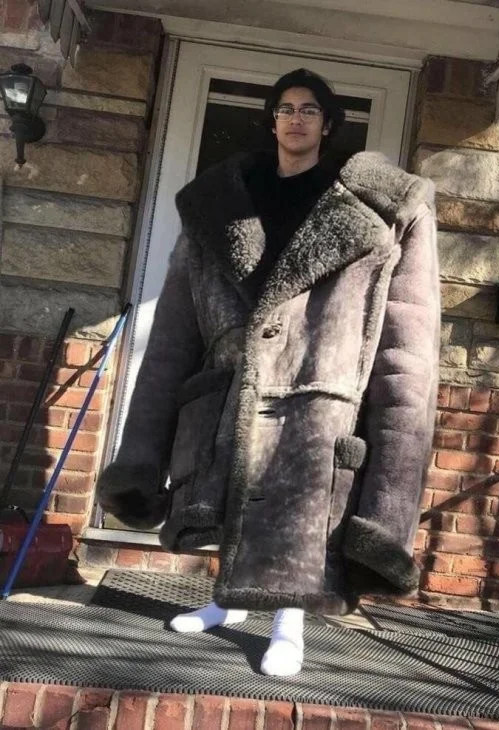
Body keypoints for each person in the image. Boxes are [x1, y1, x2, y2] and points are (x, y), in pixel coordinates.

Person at [97, 68, 440, 677]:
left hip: (321, 394)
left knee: (299, 514)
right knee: (236, 494)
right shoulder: (220, 203)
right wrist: (140, 459)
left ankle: (289, 625)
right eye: (285, 108)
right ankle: (225, 602)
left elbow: (408, 347)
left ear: (328, 124)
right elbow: (173, 332)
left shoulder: (386, 208)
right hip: (228, 389)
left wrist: (389, 512)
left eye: (309, 109)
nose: (296, 119)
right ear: (271, 120)